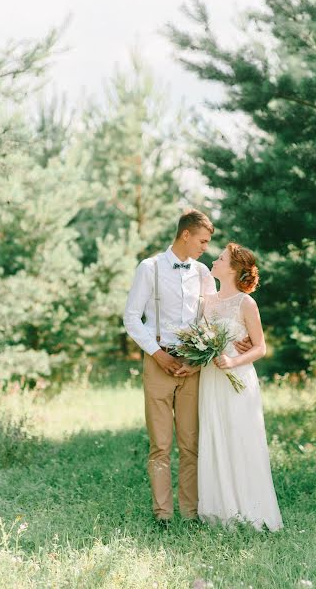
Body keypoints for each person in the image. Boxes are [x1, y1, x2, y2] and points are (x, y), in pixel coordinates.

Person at [123, 210, 250, 524]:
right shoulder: (149, 268)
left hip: (193, 367)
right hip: (158, 363)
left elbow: (216, 313)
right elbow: (131, 318)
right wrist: (157, 353)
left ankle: (191, 513)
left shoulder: (203, 273)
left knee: (191, 444)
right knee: (160, 445)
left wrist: (239, 338)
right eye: (203, 241)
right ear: (185, 235)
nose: (206, 247)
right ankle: (163, 515)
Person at [198, 242, 283, 532]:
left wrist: (233, 363)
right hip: (210, 380)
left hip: (237, 380)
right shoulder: (206, 300)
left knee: (239, 438)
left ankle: (250, 511)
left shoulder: (246, 303)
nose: (215, 260)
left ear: (233, 268)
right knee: (215, 437)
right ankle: (219, 511)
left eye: (220, 258)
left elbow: (260, 347)